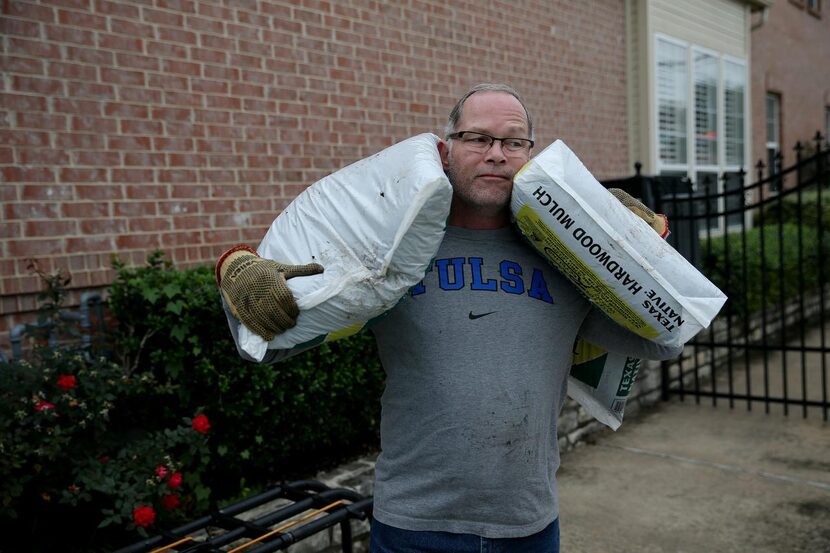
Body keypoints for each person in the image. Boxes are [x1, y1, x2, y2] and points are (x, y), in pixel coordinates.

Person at [215, 83, 681, 553]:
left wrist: (641, 249)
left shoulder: (565, 259)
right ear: (445, 149)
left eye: (513, 141)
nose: (496, 154)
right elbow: (273, 340)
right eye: (477, 138)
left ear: (529, 155)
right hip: (412, 527)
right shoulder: (392, 248)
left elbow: (666, 337)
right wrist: (236, 267)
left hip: (528, 528)